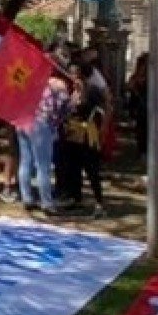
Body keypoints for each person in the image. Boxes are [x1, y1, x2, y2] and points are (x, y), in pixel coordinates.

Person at [55, 50, 110, 215]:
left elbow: (105, 108)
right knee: (73, 166)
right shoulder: (72, 91)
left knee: (91, 168)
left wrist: (102, 129)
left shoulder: (92, 91)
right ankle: (75, 198)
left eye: (75, 73)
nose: (72, 76)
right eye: (70, 73)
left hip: (88, 133)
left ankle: (99, 202)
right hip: (73, 133)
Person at [17, 61, 72, 215]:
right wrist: (75, 98)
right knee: (43, 165)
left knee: (25, 160)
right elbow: (63, 109)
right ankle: (47, 202)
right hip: (41, 124)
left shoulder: (29, 79)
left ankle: (27, 197)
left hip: (22, 119)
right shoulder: (58, 84)